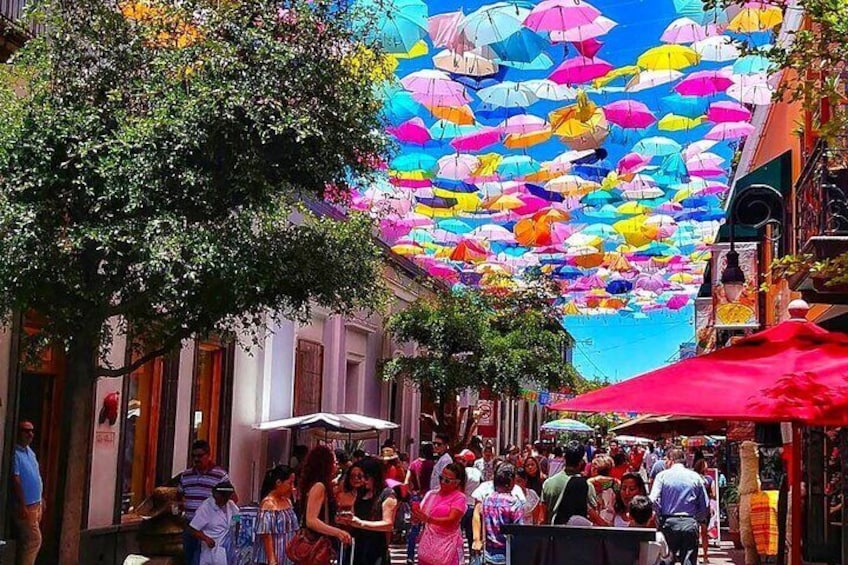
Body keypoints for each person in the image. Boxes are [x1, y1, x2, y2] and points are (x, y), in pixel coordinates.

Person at [649, 448, 709, 565]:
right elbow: (705, 505)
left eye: (666, 460)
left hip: (668, 522)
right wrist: (696, 519)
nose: (665, 463)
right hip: (690, 523)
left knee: (667, 559)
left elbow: (653, 499)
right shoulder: (695, 477)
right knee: (688, 561)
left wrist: (659, 513)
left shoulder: (662, 476)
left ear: (671, 460)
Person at [180, 440, 234, 565]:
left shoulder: (220, 475)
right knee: (190, 559)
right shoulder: (186, 475)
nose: (196, 459)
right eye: (193, 456)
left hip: (210, 529)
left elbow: (232, 498)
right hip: (191, 526)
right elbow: (179, 497)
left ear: (208, 455)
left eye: (200, 456)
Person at [339, 457, 397, 565]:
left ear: (374, 476)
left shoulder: (387, 494)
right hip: (358, 548)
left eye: (364, 477)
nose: (362, 480)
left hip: (376, 550)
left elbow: (388, 524)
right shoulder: (360, 493)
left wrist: (361, 523)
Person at [299, 445, 353, 553]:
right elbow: (311, 520)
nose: (336, 466)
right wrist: (338, 532)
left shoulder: (316, 484)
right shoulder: (319, 486)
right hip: (316, 545)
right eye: (334, 462)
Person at [413, 462, 467, 565]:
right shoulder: (431, 494)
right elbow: (420, 517)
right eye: (441, 477)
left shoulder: (459, 497)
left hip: (447, 548)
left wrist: (429, 520)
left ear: (457, 482)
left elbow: (452, 520)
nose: (442, 482)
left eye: (447, 480)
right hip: (428, 546)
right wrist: (416, 516)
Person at [541, 441, 602, 526]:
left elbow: (543, 518)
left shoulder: (548, 483)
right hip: (579, 536)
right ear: (581, 462)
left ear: (564, 458)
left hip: (553, 535)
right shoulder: (587, 486)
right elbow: (594, 516)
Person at [475, 464, 524, 565]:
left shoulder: (487, 500)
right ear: (511, 482)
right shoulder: (514, 503)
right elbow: (519, 533)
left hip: (488, 555)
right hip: (507, 556)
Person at [12, 420, 43, 565]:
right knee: (34, 541)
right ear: (19, 433)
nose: (30, 434)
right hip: (26, 506)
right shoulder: (15, 454)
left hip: (36, 505)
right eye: (26, 431)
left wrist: (41, 498)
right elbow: (16, 480)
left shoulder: (30, 452)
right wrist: (23, 504)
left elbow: (35, 475)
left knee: (28, 542)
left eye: (31, 431)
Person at [254, 466, 298, 565]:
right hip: (275, 556)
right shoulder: (268, 504)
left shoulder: (288, 501)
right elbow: (266, 535)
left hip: (288, 557)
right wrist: (272, 560)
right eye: (289, 483)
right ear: (278, 483)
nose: (292, 487)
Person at [189, 480, 240, 565]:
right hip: (211, 550)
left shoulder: (231, 506)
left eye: (221, 499)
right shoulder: (206, 507)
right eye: (216, 497)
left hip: (227, 549)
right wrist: (206, 538)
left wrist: (236, 533)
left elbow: (237, 518)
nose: (217, 500)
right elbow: (193, 529)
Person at [404, 443, 434, 565]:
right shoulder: (433, 465)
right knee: (429, 528)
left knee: (414, 528)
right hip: (430, 498)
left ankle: (410, 556)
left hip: (416, 498)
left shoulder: (413, 464)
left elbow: (406, 482)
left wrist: (411, 493)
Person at [628, 495, 670, 565]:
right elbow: (665, 556)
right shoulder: (658, 538)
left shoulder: (621, 537)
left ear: (629, 516)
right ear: (652, 517)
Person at [456, 449, 482, 554]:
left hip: (462, 507)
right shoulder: (478, 473)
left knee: (457, 536)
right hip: (473, 507)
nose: (460, 462)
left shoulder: (462, 472)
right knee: (471, 536)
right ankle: (473, 558)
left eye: (463, 460)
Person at [694, 459, 716, 564]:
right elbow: (714, 494)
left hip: (693, 508)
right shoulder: (709, 479)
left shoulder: (693, 478)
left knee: (694, 533)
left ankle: (695, 555)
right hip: (705, 509)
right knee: (704, 533)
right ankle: (705, 556)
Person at [587, 455, 620, 525]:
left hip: (592, 523)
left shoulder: (588, 484)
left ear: (595, 469)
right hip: (612, 522)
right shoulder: (616, 483)